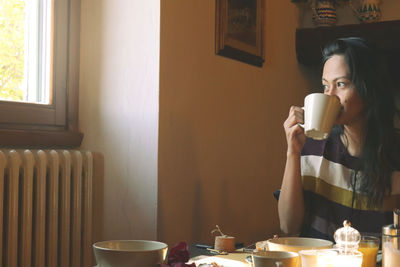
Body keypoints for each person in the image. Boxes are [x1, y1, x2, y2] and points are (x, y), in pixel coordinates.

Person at [278, 37, 400, 241]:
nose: (330, 96)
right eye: (326, 86)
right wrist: (293, 153)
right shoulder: (312, 145)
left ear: (367, 88)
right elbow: (288, 226)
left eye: (341, 84)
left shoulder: (394, 154)